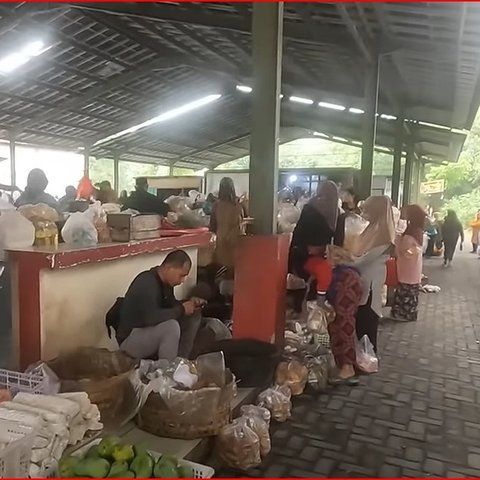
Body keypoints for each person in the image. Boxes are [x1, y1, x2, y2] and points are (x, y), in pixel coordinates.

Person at [289, 181, 361, 385]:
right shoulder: (335, 215)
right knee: (322, 325)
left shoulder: (312, 210)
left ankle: (320, 362)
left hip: (317, 278)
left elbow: (298, 239)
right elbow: (334, 244)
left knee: (316, 325)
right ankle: (326, 362)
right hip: (321, 276)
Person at [115, 250, 203, 361]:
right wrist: (181, 309)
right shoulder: (146, 282)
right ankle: (166, 371)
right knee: (171, 327)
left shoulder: (166, 285)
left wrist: (188, 304)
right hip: (130, 341)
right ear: (168, 268)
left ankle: (180, 363)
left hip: (148, 333)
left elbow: (171, 307)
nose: (183, 280)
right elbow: (151, 318)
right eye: (181, 275)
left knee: (192, 317)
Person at [353, 195, 395, 352]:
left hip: (371, 284)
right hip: (363, 281)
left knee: (367, 321)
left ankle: (368, 358)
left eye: (368, 210)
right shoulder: (372, 228)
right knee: (361, 321)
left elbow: (362, 260)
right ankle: (362, 356)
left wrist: (342, 260)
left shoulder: (383, 234)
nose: (364, 213)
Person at [390, 205, 426, 322]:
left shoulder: (411, 232)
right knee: (410, 292)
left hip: (407, 268)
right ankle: (408, 314)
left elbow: (405, 251)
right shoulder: (417, 230)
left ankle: (403, 314)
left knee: (405, 292)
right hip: (413, 268)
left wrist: (398, 240)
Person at [209, 177, 245, 270]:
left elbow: (212, 226)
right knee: (235, 268)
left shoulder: (216, 206)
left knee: (223, 267)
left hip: (221, 241)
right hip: (236, 241)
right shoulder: (238, 206)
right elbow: (243, 223)